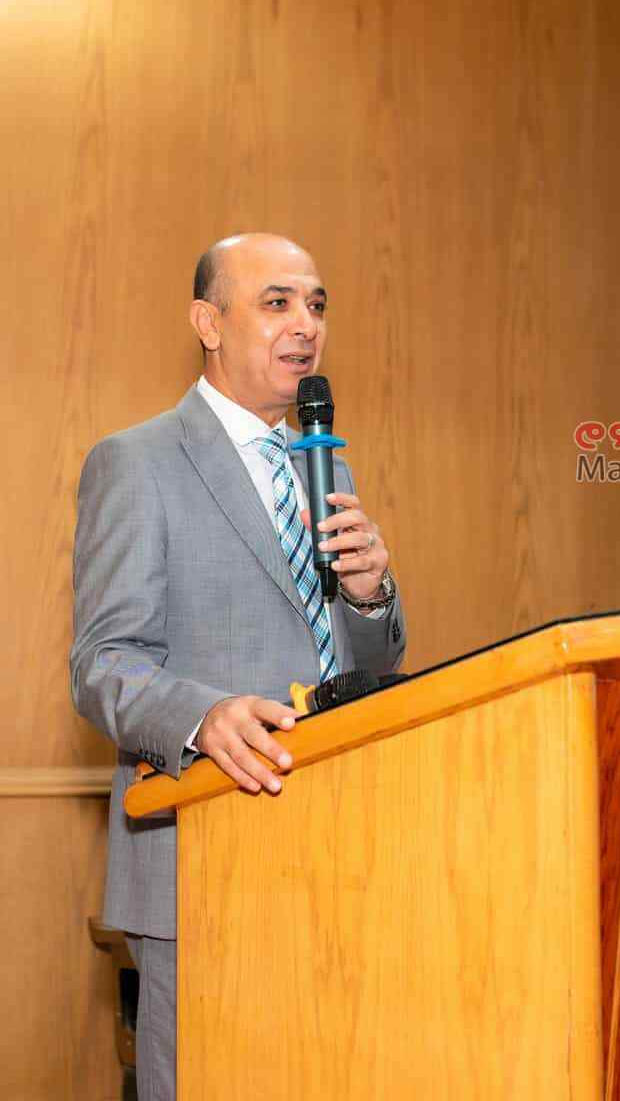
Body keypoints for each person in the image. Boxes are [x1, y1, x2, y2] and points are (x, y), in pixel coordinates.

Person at [70, 233, 406, 1101]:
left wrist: (369, 595)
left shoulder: (323, 464)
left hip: (334, 846)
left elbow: (368, 664)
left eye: (316, 305)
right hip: (203, 850)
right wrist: (200, 716)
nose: (306, 324)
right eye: (277, 302)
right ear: (208, 323)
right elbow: (103, 662)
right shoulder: (137, 462)